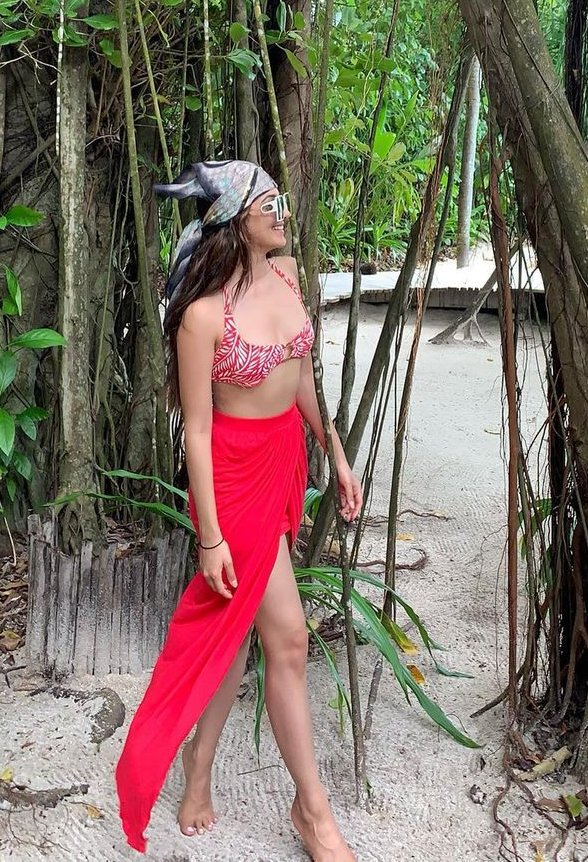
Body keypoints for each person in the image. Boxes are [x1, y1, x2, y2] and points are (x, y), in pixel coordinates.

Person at [115, 159, 363, 860]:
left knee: (237, 630)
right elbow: (195, 431)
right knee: (287, 637)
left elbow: (300, 376)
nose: (281, 213)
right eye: (268, 204)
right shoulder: (201, 316)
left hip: (283, 458)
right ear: (234, 219)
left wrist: (335, 451)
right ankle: (312, 811)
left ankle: (200, 768)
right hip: (231, 480)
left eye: (280, 201)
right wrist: (210, 537)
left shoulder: (287, 276)